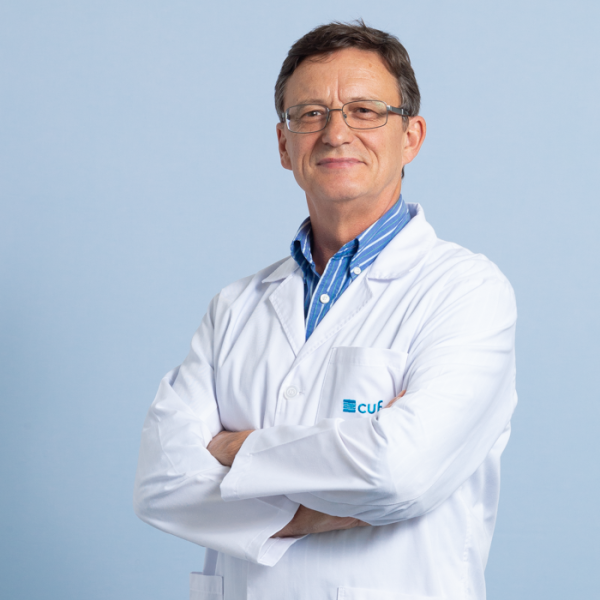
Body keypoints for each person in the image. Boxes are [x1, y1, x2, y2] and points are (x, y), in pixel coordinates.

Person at [134, 20, 517, 600]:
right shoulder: (235, 307)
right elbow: (161, 484)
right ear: (283, 145)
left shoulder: (466, 292)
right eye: (310, 114)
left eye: (365, 111)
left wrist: (238, 449)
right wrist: (312, 513)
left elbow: (399, 472)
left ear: (410, 137)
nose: (336, 133)